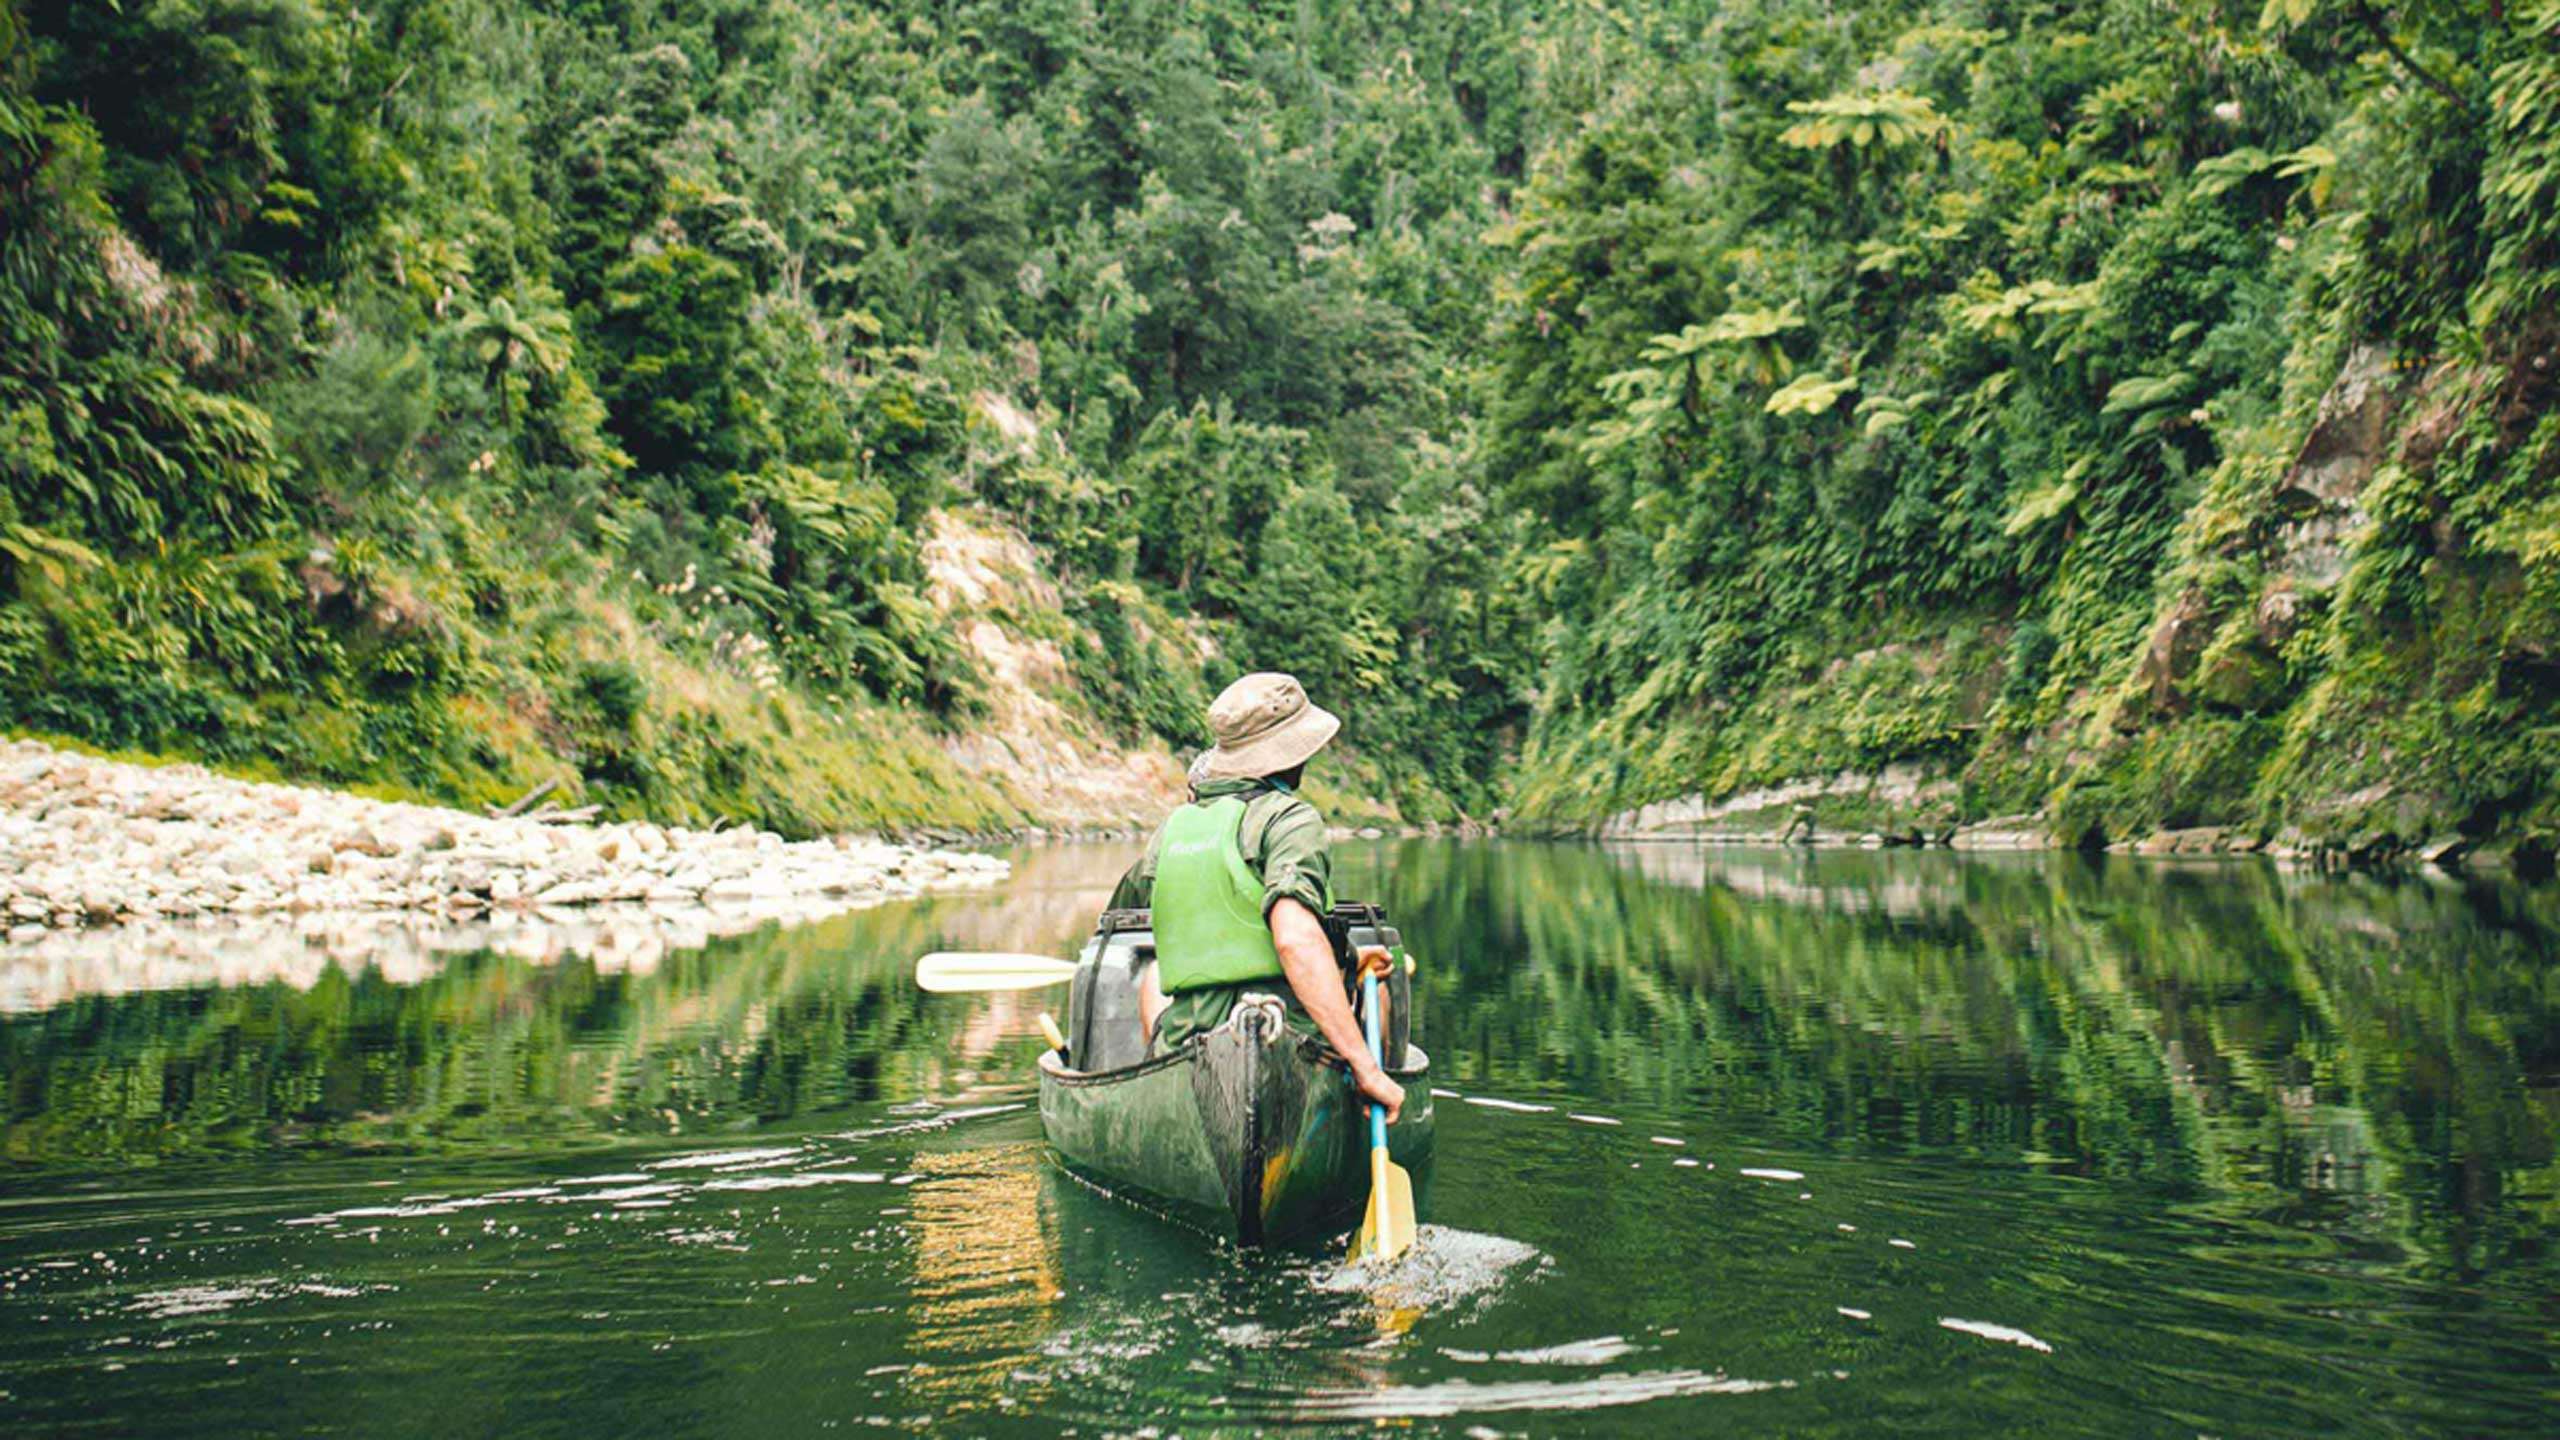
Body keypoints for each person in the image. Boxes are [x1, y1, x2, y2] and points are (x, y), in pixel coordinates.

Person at [1107, 672, 1405, 1123]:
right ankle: (1373, 1089)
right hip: (1293, 1039)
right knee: (1376, 990)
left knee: (1153, 970)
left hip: (1187, 1043)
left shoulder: (1171, 830)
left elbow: (1115, 921)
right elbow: (1294, 940)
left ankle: (1159, 1074)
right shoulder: (1290, 820)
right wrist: (1366, 1067)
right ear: (1294, 750)